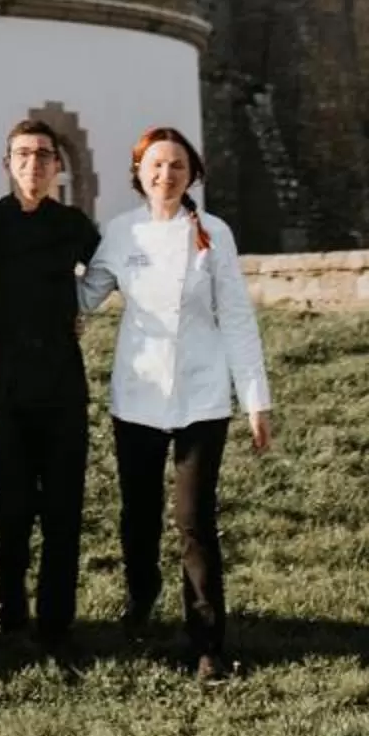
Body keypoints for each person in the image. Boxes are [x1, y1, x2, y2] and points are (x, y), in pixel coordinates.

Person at [80, 125, 273, 682]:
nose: (166, 175)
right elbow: (87, 296)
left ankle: (207, 640)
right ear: (139, 173)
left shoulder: (213, 233)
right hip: (137, 394)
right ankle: (141, 596)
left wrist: (256, 400)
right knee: (137, 514)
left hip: (202, 394)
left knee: (194, 520)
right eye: (156, 166)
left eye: (177, 167)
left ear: (192, 175)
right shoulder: (121, 233)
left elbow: (236, 317)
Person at [0, 115, 101, 663]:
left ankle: (57, 620)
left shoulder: (71, 223)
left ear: (57, 166)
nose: (33, 164)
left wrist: (77, 307)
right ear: (7, 164)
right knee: (12, 508)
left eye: (43, 155)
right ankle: (10, 609)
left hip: (64, 388)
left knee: (64, 511)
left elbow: (106, 269)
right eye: (22, 155)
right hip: (7, 388)